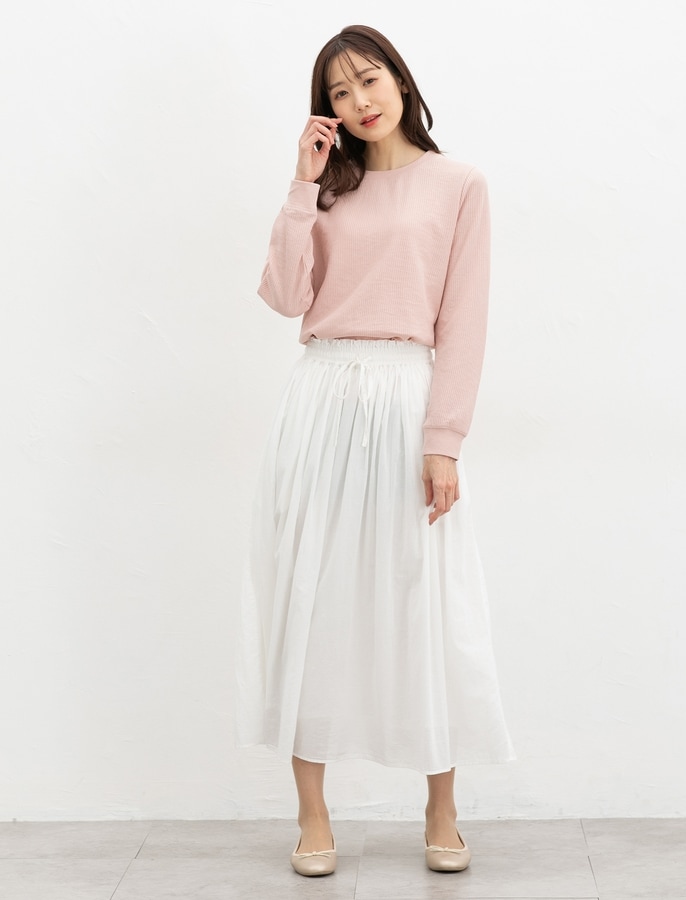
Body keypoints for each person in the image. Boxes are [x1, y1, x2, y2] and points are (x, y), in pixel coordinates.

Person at [235, 24, 516, 877]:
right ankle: (312, 814)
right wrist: (301, 184)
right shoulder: (325, 191)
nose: (359, 101)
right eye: (339, 92)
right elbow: (286, 296)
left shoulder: (459, 185)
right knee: (310, 597)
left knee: (425, 599)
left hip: (406, 398)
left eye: (369, 79)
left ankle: (443, 808)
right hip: (321, 397)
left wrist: (444, 441)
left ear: (400, 78)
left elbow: (464, 320)